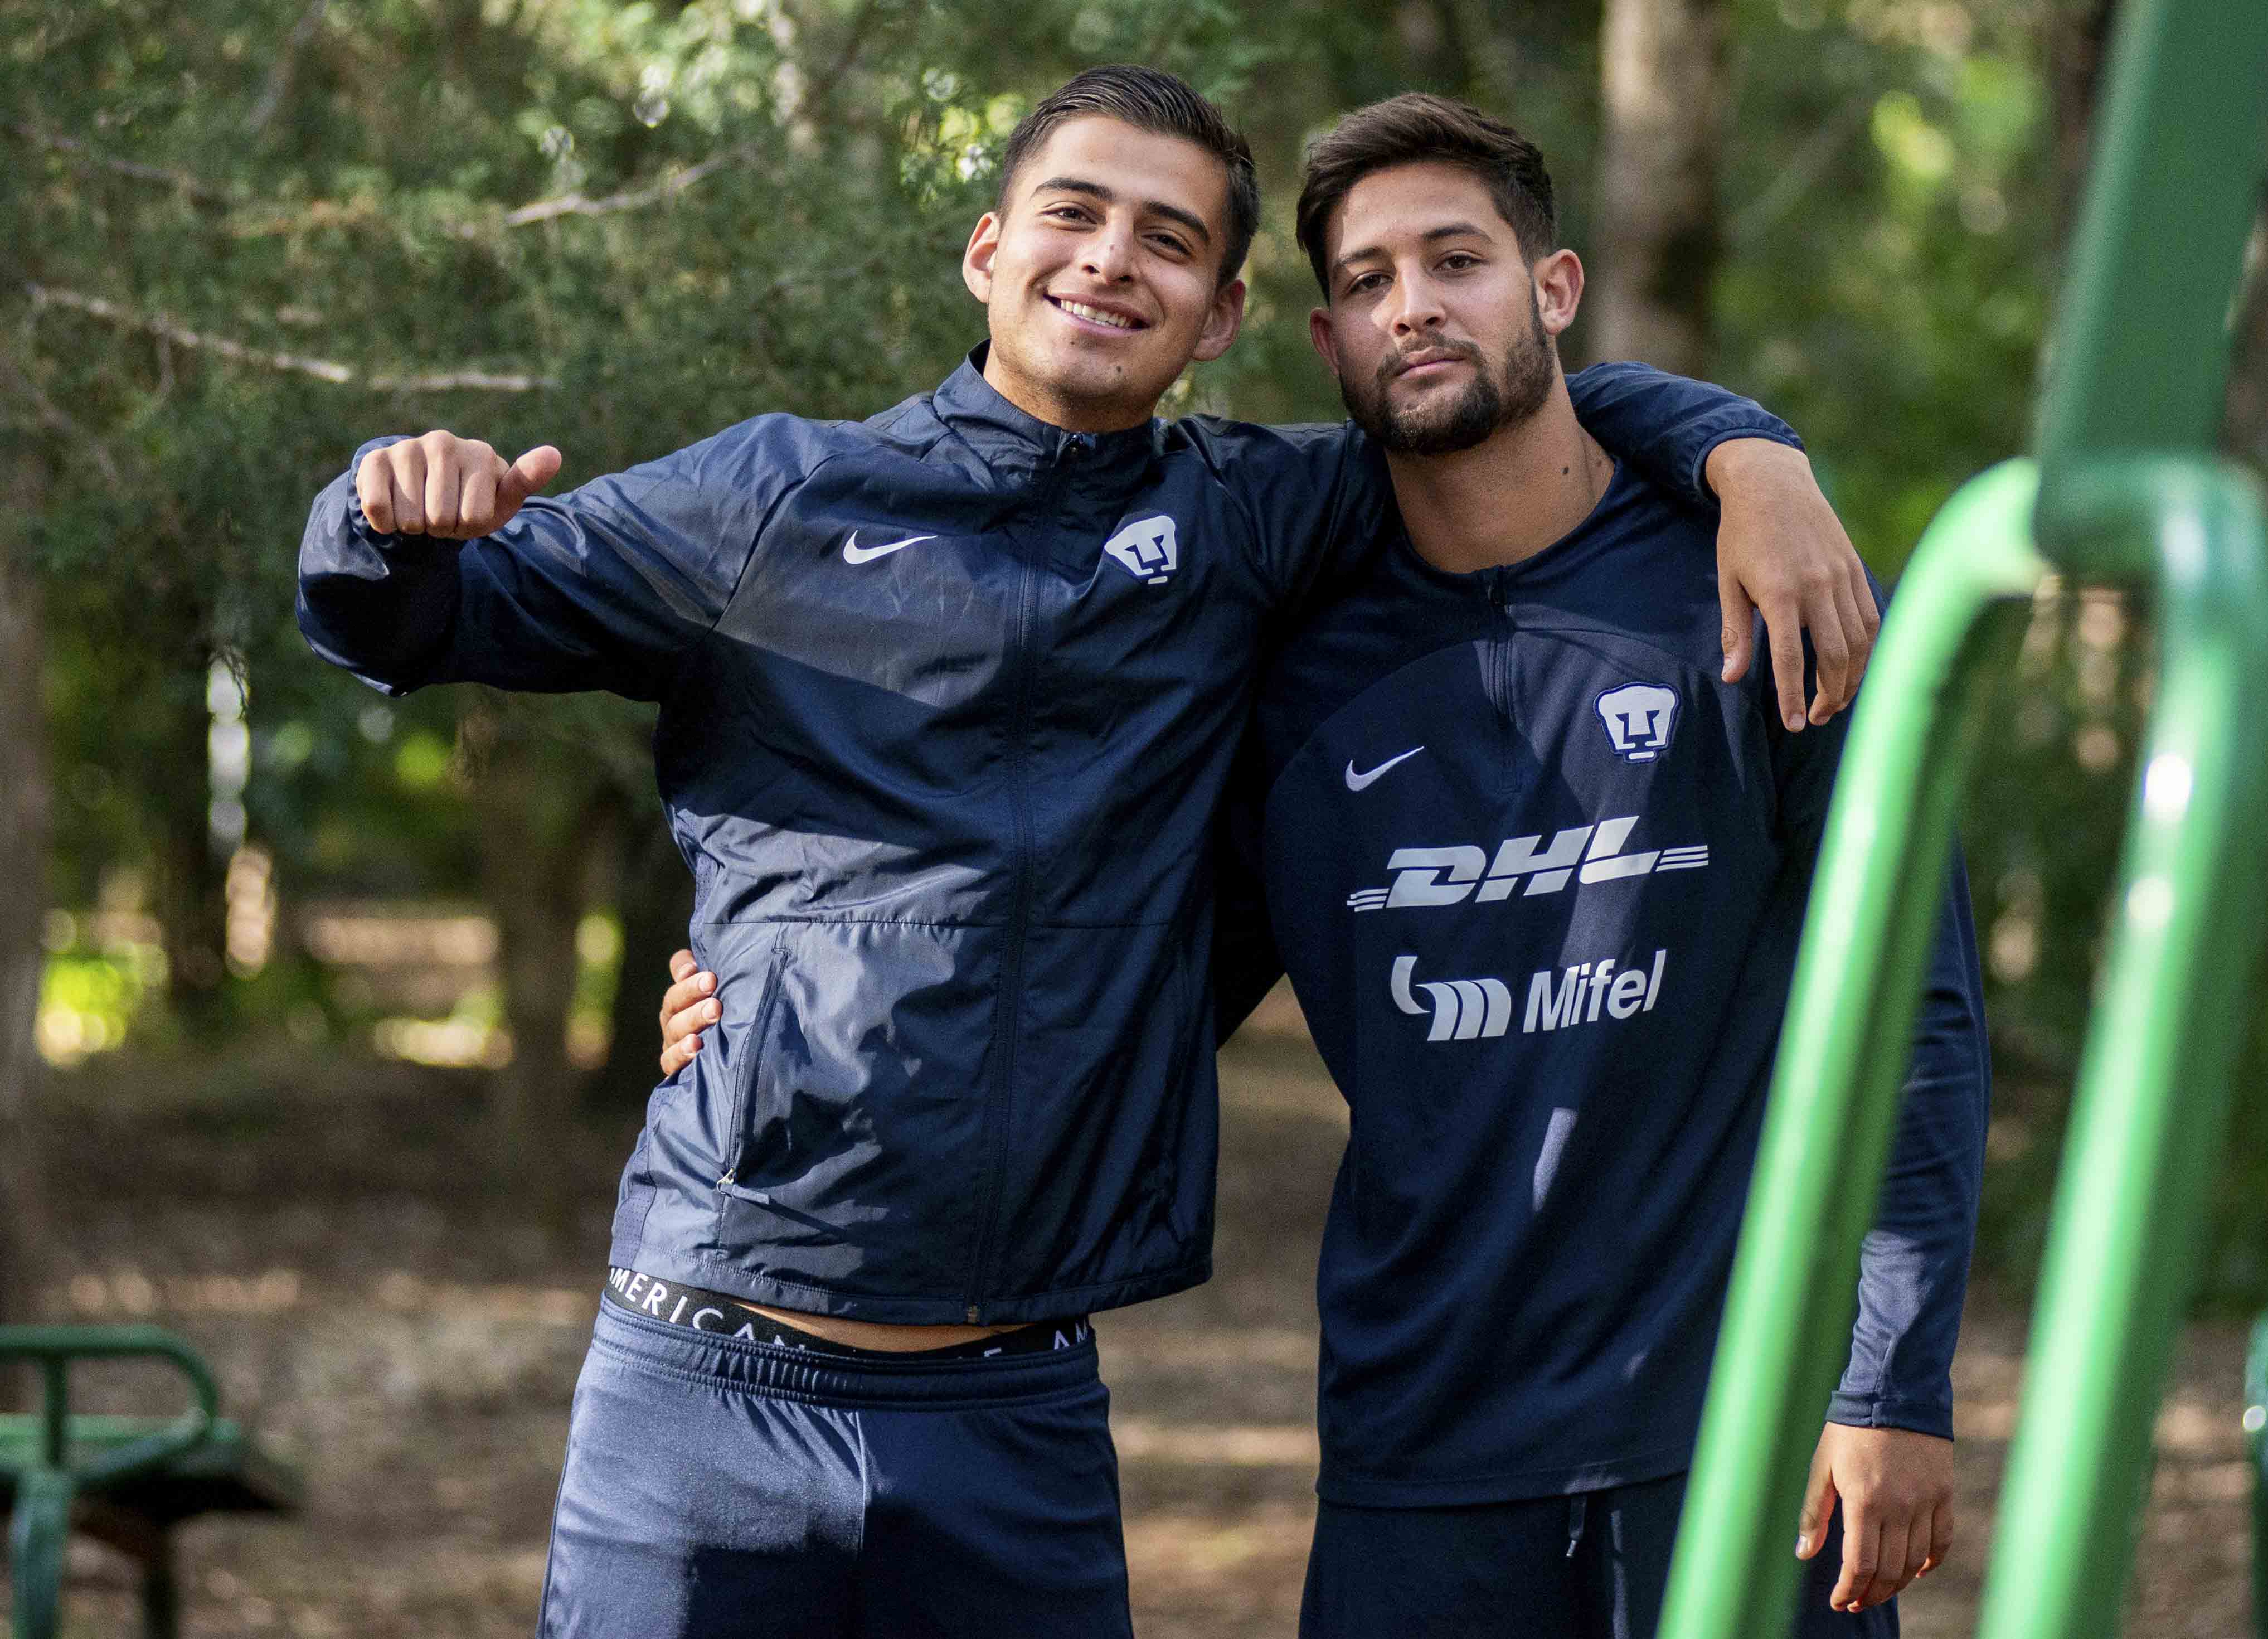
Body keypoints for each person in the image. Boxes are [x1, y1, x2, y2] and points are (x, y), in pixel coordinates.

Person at [303, 66, 1872, 1639]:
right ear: (988, 251)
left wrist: (1753, 459)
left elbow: (1490, 393)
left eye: (1168, 240)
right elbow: (425, 613)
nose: (1112, 259)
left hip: (1020, 1410)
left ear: (1221, 316)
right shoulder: (775, 496)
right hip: (705, 1379)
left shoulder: (1252, 518)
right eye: (1074, 214)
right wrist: (382, 515)